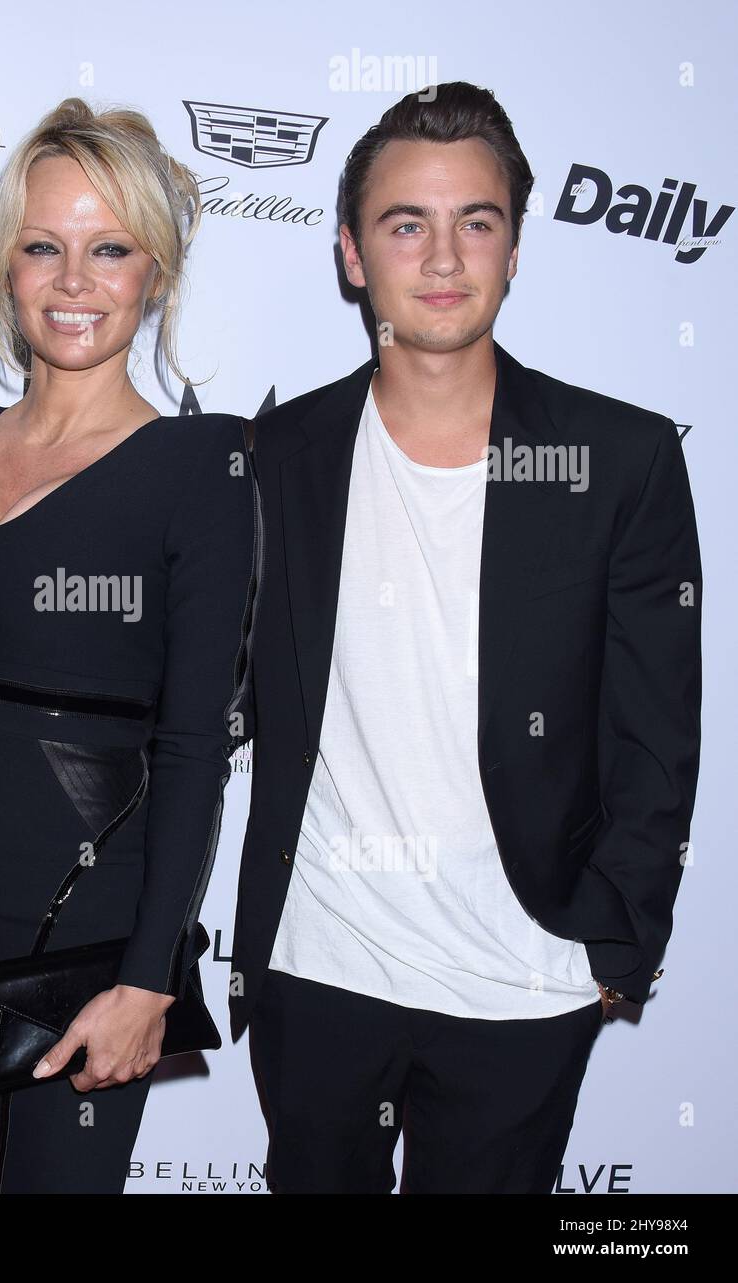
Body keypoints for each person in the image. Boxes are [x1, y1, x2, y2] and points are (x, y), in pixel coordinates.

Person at [230, 82, 702, 1194]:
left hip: (525, 974)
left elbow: (655, 736)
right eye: (406, 223)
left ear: (515, 247)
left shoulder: (618, 459)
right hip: (320, 964)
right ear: (351, 255)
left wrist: (612, 942)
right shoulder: (276, 455)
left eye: (474, 221)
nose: (442, 256)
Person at [0, 97, 257, 1194]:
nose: (74, 281)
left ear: (154, 272)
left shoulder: (201, 469)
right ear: (5, 268)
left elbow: (196, 743)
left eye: (109, 249)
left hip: (83, 952)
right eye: (43, 248)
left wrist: (150, 975)